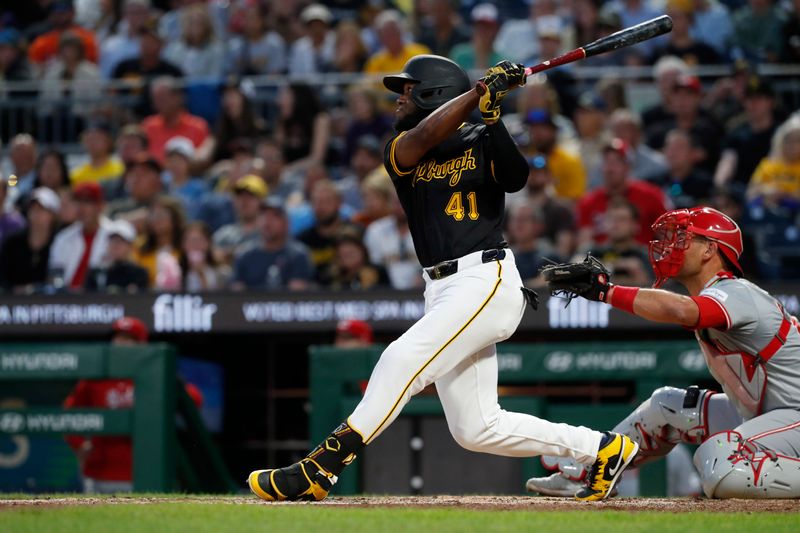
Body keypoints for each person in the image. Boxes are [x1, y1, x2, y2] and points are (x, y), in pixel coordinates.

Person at [247, 55, 638, 503]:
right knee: (477, 428)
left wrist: (492, 115)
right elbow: (424, 136)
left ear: (434, 93)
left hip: (484, 277)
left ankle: (324, 466)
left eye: (409, 90)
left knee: (401, 358)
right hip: (441, 287)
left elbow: (516, 177)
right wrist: (479, 93)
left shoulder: (481, 137)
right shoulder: (402, 147)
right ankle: (603, 449)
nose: (399, 99)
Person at [526, 206, 800, 498]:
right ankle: (586, 474)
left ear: (709, 249)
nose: (671, 246)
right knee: (665, 406)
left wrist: (606, 292)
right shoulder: (716, 294)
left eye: (684, 238)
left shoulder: (737, 292)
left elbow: (681, 309)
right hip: (769, 418)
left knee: (721, 461)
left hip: (793, 416)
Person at [64, 316, 149, 494]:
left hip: (142, 473)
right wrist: (79, 445)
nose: (121, 343)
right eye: (118, 337)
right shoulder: (96, 377)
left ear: (141, 345)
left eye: (129, 339)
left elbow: (194, 399)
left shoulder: (152, 376)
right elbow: (68, 415)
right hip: (98, 472)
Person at [576, 138, 671, 250]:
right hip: (602, 261)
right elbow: (584, 244)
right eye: (607, 162)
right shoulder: (589, 202)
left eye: (616, 162)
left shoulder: (651, 196)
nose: (610, 169)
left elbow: (668, 236)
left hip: (642, 260)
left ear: (628, 167)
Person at [232, 199, 314, 290]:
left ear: (286, 223)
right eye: (263, 215)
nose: (268, 221)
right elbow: (237, 298)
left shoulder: (298, 255)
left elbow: (296, 297)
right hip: (250, 304)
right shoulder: (244, 255)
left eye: (275, 216)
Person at [48, 182, 112, 290]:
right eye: (79, 202)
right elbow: (55, 277)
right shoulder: (63, 237)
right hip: (67, 301)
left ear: (100, 206)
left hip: (102, 300)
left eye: (88, 202)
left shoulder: (115, 235)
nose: (82, 208)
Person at [141, 76, 212, 164]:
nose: (157, 105)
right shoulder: (148, 126)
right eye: (155, 100)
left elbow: (203, 159)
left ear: (178, 98)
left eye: (162, 99)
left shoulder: (198, 126)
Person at [582, 199, 654, 287]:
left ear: (635, 226)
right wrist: (622, 265)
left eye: (622, 220)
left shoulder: (646, 256)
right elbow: (575, 268)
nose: (615, 224)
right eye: (611, 219)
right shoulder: (592, 251)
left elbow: (649, 287)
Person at [0, 188, 60, 291]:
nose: (36, 213)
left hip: (48, 304)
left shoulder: (60, 243)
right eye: (33, 208)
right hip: (12, 303)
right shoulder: (12, 243)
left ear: (53, 215)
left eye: (42, 209)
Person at [650, 129, 713, 208]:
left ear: (692, 153)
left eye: (679, 148)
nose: (672, 153)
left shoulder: (705, 184)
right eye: (669, 147)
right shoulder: (653, 184)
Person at [132, 195, 185, 289]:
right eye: (153, 215)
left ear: (174, 219)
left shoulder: (185, 248)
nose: (156, 220)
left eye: (161, 215)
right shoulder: (139, 248)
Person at [212, 174, 268, 263]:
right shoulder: (224, 233)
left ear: (262, 202)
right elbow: (212, 256)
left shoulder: (268, 234)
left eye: (250, 196)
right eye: (239, 196)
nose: (244, 201)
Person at [162, 3, 225, 79]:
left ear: (207, 24)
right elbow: (170, 76)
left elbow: (215, 76)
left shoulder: (217, 49)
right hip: (179, 89)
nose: (195, 26)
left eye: (199, 22)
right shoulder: (174, 50)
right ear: (184, 25)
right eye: (191, 22)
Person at [85, 219, 149, 292]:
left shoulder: (139, 274)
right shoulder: (96, 273)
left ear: (130, 246)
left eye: (121, 241)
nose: (115, 245)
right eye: (112, 240)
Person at [363, 10, 431, 75]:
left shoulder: (420, 53)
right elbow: (368, 84)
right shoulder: (375, 62)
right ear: (380, 37)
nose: (391, 36)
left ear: (402, 31)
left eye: (393, 31)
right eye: (386, 33)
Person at [70, 121, 126, 185]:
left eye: (97, 139)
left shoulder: (121, 170)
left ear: (108, 141)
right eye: (89, 139)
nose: (93, 143)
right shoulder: (76, 175)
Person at [180, 221, 230, 291]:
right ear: (183, 245)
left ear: (209, 243)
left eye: (199, 240)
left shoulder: (222, 273)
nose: (195, 245)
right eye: (190, 241)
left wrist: (201, 274)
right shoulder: (177, 272)